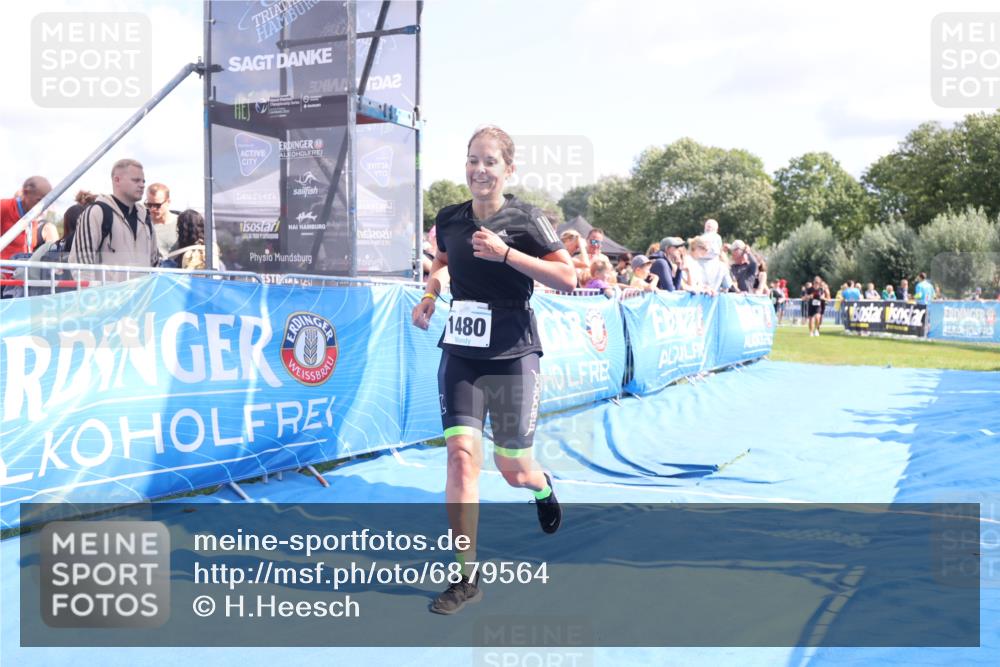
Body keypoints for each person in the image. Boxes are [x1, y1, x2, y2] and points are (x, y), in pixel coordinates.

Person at [410, 126, 575, 615]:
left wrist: (507, 253)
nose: (479, 170)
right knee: (462, 457)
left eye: (489, 162)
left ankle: (542, 486)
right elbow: (442, 262)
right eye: (471, 160)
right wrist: (430, 294)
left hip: (512, 352)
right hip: (461, 349)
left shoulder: (526, 218)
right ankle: (465, 577)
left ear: (508, 169)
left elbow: (568, 277)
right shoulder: (450, 218)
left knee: (512, 469)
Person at [69, 159, 159, 275]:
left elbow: (154, 263)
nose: (142, 185)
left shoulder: (145, 217)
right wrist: (95, 293)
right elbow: (81, 265)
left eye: (143, 181)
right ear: (117, 180)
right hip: (108, 292)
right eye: (136, 180)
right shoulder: (96, 213)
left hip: (143, 292)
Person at [1, 176, 52, 274]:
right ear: (26, 193)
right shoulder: (4, 207)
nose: (44, 206)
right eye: (39, 200)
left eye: (47, 202)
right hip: (4, 281)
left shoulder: (32, 217)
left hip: (21, 279)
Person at [145, 183, 179, 259]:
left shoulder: (182, 224)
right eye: (149, 205)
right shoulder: (142, 225)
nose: (152, 209)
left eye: (157, 205)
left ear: (168, 202)